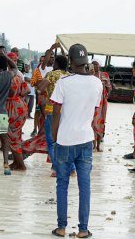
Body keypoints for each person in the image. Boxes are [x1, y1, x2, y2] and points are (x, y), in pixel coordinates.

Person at [50, 44, 102, 238]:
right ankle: (82, 229)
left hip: (65, 140)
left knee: (62, 184)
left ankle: (61, 227)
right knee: (84, 185)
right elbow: (94, 111)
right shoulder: (97, 83)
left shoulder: (64, 82)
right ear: (86, 61)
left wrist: (54, 137)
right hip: (86, 139)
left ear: (70, 61)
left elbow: (56, 112)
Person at [38, 55, 76, 177]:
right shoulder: (70, 76)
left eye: (54, 62)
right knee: (66, 140)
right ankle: (72, 169)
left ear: (57, 64)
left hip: (52, 110)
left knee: (52, 140)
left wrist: (39, 89)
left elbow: (40, 89)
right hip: (67, 112)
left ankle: (57, 168)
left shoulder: (52, 74)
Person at [6, 52, 30, 171]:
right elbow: (27, 91)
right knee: (16, 136)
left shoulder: (7, 76)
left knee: (12, 137)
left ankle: (21, 165)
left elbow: (9, 92)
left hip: (12, 107)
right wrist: (19, 97)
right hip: (21, 106)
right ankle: (16, 162)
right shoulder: (19, 76)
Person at [91, 58, 112, 152]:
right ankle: (93, 144)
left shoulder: (104, 75)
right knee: (91, 122)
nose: (95, 66)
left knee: (100, 122)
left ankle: (98, 145)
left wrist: (106, 96)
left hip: (102, 103)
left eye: (96, 64)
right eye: (93, 64)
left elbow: (109, 89)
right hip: (91, 102)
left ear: (99, 65)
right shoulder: (88, 75)